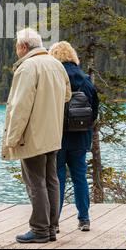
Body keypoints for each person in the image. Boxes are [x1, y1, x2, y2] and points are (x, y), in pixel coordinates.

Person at [2, 28, 71, 244]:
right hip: (53, 134)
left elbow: (20, 107)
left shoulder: (27, 68)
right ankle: (51, 227)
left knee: (35, 182)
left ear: (23, 46)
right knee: (52, 179)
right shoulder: (56, 64)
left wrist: (12, 139)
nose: (16, 50)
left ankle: (40, 229)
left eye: (17, 46)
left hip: (32, 135)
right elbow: (67, 95)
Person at [49, 41, 99, 232]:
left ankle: (54, 223)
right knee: (80, 178)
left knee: (57, 179)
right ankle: (84, 219)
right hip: (80, 138)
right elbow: (94, 111)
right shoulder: (86, 80)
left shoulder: (55, 78)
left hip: (58, 137)